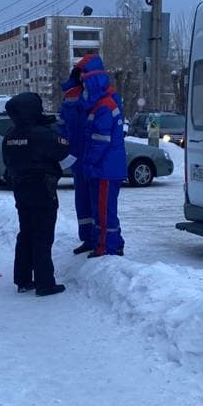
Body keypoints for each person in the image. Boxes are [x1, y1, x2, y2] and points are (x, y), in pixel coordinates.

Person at [2, 92, 73, 297]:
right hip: (42, 189)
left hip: (20, 189)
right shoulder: (42, 134)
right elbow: (65, 155)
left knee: (26, 233)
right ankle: (45, 283)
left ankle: (23, 279)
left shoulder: (10, 136)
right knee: (43, 235)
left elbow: (7, 163)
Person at [79, 55, 127, 257]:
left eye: (84, 81)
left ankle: (108, 247)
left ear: (92, 81)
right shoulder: (101, 103)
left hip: (105, 168)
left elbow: (100, 140)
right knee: (101, 209)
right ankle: (109, 244)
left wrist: (89, 162)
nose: (82, 87)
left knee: (105, 211)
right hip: (104, 167)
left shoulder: (104, 106)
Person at [58, 57, 95, 254]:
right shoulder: (70, 95)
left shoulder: (99, 95)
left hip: (94, 157)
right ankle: (87, 238)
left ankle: (100, 239)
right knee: (82, 200)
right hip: (77, 156)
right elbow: (62, 124)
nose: (81, 76)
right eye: (79, 72)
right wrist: (62, 146)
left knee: (98, 201)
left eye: (84, 72)